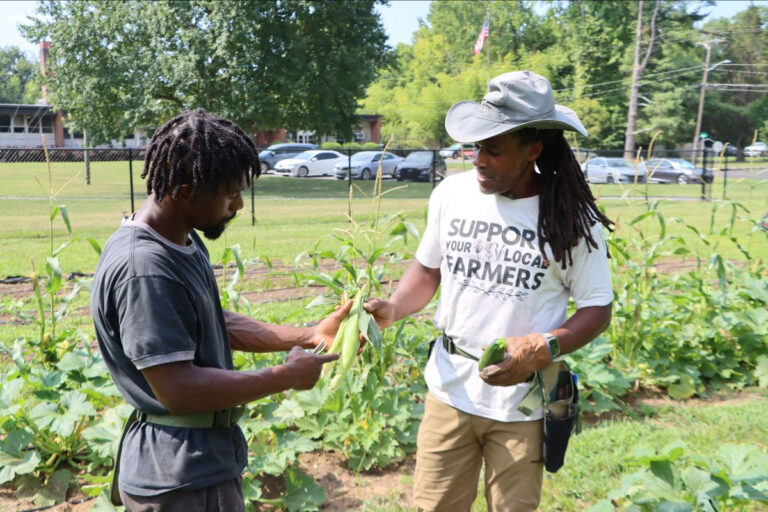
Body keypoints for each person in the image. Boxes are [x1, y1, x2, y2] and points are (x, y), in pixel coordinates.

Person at [364, 70, 614, 511]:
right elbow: (427, 271)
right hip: (449, 390)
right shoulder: (452, 193)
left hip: (521, 404)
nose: (478, 159)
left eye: (493, 150)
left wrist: (544, 345)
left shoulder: (572, 221)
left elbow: (596, 309)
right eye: (476, 145)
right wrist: (394, 307)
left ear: (532, 150)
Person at [90, 109, 349, 511]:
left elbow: (214, 320)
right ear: (184, 191)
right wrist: (284, 377)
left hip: (200, 465)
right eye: (230, 195)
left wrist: (310, 334)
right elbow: (179, 389)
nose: (240, 205)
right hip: (178, 481)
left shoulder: (180, 240)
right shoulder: (145, 269)